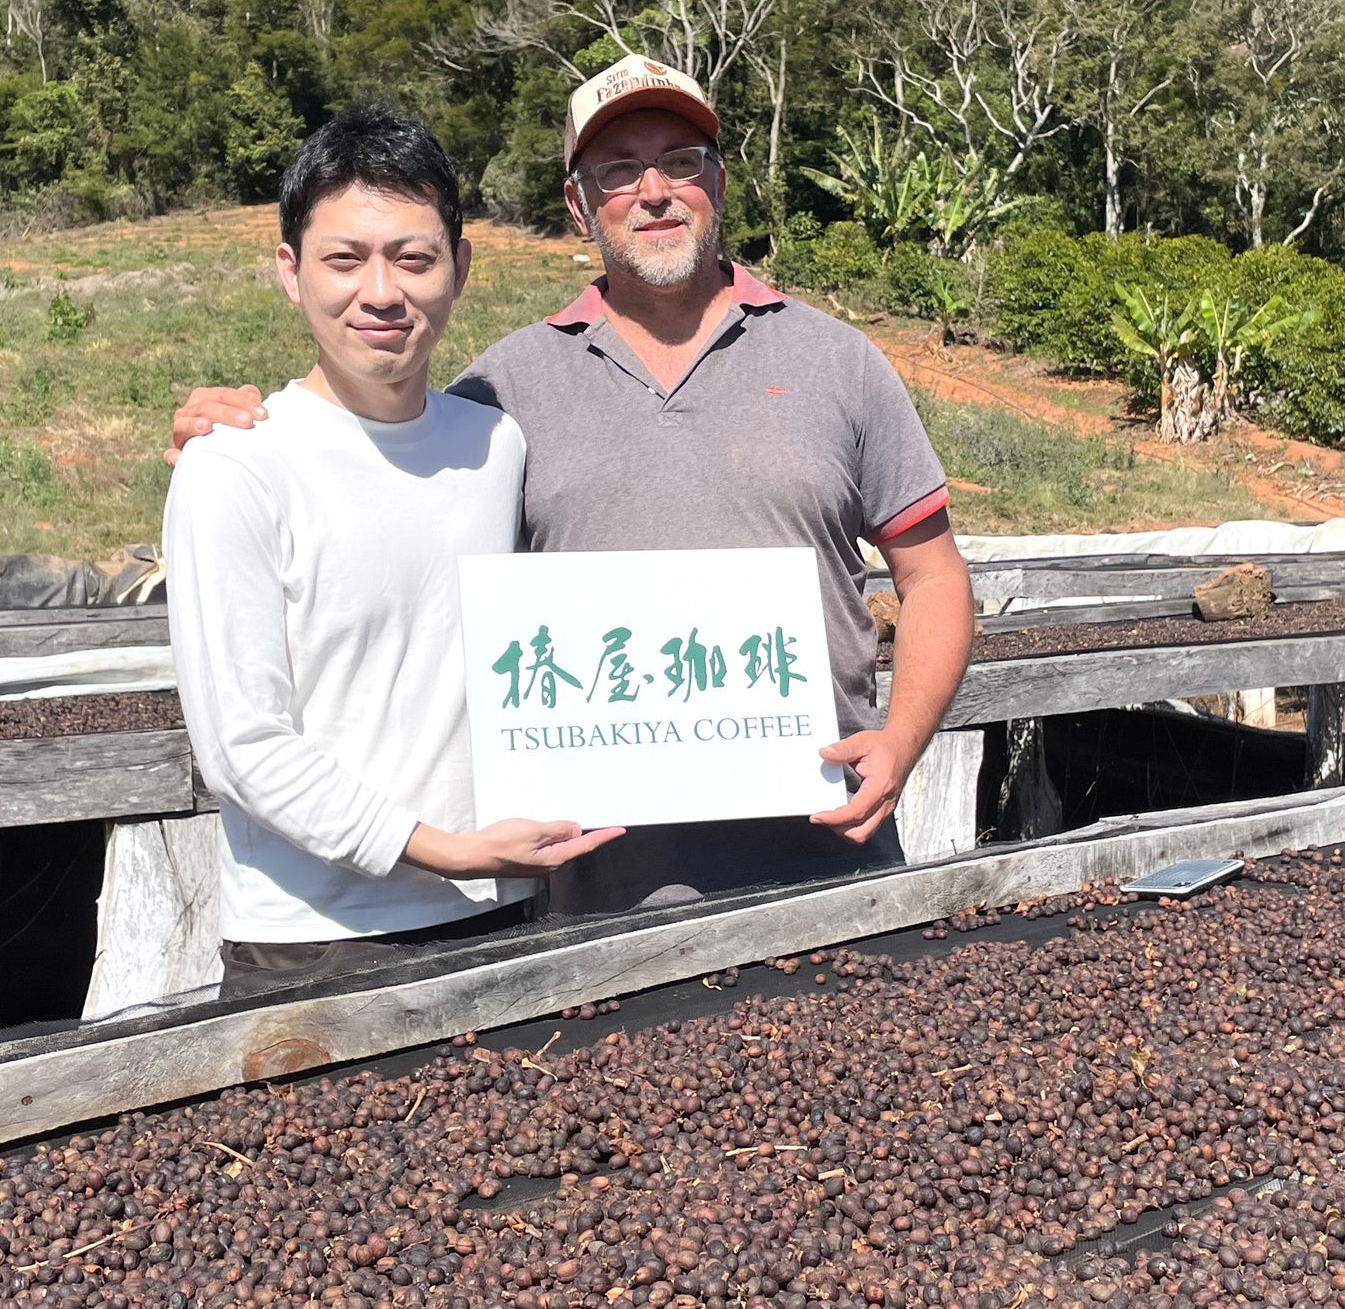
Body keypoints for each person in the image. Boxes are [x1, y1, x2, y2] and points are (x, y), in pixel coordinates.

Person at [169, 55, 975, 914]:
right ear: (578, 204)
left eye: (681, 160)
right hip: (592, 892)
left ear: (720, 181)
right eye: (618, 171)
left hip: (822, 855)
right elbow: (376, 448)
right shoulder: (500, 394)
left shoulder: (838, 362)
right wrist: (227, 439)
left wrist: (901, 738)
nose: (654, 190)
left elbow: (931, 577)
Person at [162, 106, 620, 1000]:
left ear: (459, 269)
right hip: (315, 940)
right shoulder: (235, 466)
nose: (380, 292)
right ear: (290, 272)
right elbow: (243, 746)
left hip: (503, 907)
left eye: (413, 259)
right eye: (344, 259)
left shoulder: (496, 446)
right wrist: (443, 849)